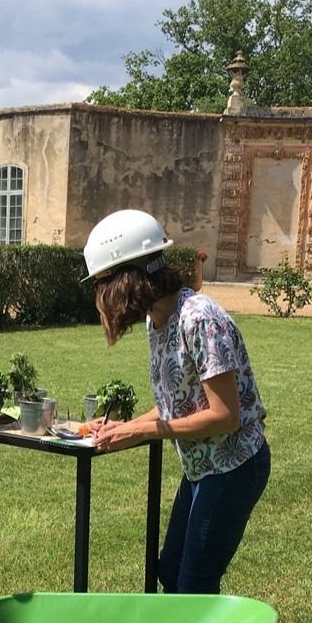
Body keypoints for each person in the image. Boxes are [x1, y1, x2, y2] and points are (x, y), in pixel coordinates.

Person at [81, 209, 270, 597]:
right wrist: (126, 425)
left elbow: (225, 416)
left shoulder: (198, 319)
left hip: (233, 465)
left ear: (130, 278)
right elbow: (177, 404)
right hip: (203, 466)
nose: (103, 298)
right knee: (170, 570)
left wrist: (141, 431)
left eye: (105, 284)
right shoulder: (158, 320)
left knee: (194, 587)